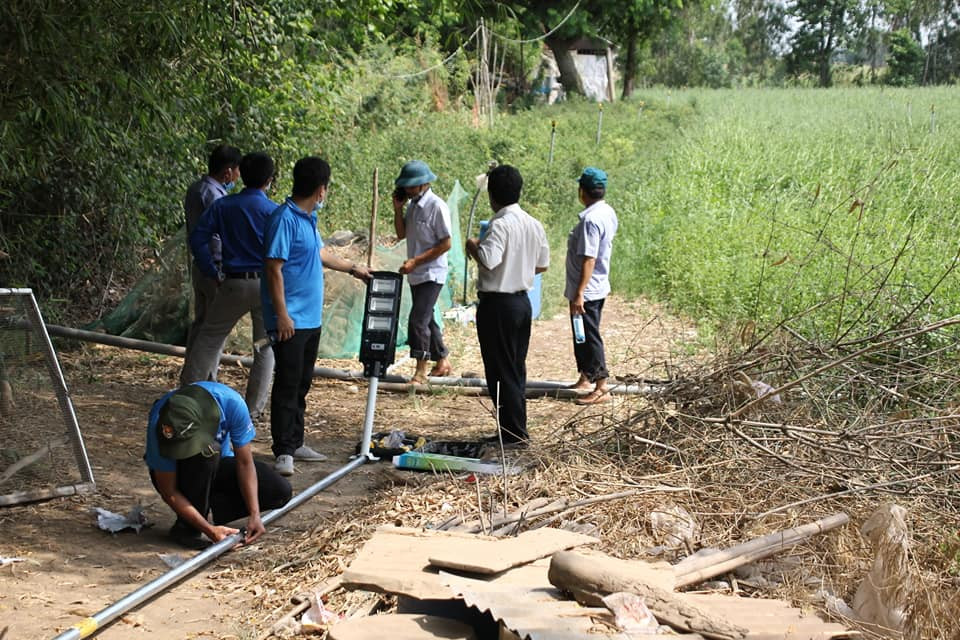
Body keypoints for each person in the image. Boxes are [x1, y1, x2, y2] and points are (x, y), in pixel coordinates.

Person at [261, 156, 371, 476]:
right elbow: (273, 268)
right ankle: (283, 449)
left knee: (302, 383)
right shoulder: (285, 219)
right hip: (290, 319)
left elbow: (320, 253)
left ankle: (296, 441)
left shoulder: (308, 218)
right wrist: (281, 314)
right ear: (321, 190)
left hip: (310, 318)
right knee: (287, 382)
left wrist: (354, 268)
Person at [180, 152, 277, 420]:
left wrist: (211, 270)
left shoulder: (224, 206)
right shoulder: (274, 212)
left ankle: (188, 397)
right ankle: (252, 410)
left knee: (209, 337)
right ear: (269, 180)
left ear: (241, 175)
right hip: (266, 286)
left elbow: (198, 238)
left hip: (233, 283)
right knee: (263, 346)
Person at [144, 381, 292, 549]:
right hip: (182, 474)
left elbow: (244, 463)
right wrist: (209, 531)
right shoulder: (160, 424)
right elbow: (168, 491)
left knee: (279, 491)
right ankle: (188, 526)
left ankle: (206, 511)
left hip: (215, 466)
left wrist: (254, 514)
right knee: (208, 453)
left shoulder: (230, 403)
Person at [465, 165, 549, 446]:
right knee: (514, 366)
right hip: (521, 302)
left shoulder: (500, 225)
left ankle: (513, 432)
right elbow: (542, 264)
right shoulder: (533, 223)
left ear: (492, 195)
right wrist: (519, 269)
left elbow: (488, 259)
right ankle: (514, 427)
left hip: (498, 303)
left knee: (500, 369)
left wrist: (472, 246)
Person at [392, 160, 454, 384]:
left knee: (418, 320)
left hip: (431, 272)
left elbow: (446, 243)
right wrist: (398, 210)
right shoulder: (413, 206)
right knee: (427, 320)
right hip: (416, 272)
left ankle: (420, 371)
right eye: (405, 186)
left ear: (424, 184)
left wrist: (416, 261)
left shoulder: (437, 206)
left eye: (411, 186)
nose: (407, 190)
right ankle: (442, 360)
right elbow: (401, 234)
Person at [564, 167, 619, 405]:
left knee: (589, 334)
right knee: (581, 334)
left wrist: (579, 293)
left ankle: (601, 386)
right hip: (593, 285)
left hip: (588, 289)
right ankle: (585, 376)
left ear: (583, 191)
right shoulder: (606, 211)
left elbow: (589, 258)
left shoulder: (590, 220)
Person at [183, 145, 242, 354]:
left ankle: (191, 374)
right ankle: (205, 378)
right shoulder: (215, 196)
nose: (237, 177)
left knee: (201, 322)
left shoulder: (196, 188)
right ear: (228, 172)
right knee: (213, 328)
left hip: (200, 262)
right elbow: (216, 234)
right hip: (212, 264)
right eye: (237, 171)